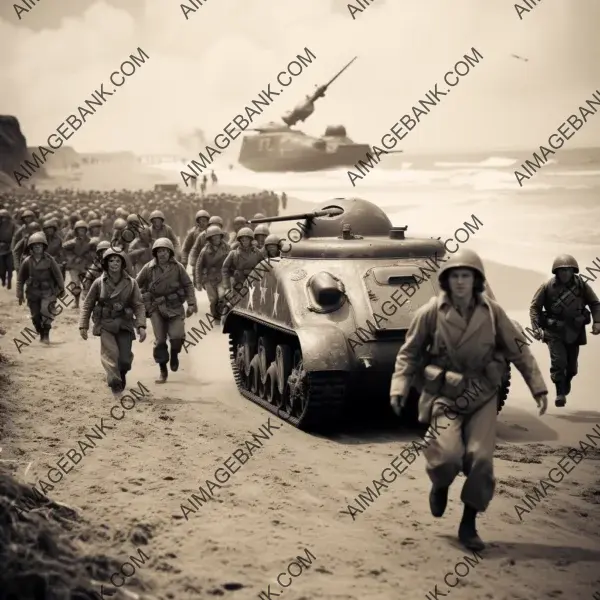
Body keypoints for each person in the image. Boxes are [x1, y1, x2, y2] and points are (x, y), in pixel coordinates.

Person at [389, 249, 548, 551]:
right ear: (446, 281)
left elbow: (519, 351)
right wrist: (399, 387)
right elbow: (408, 354)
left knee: (482, 460)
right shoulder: (431, 312)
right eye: (455, 276)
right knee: (447, 457)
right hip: (445, 395)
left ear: (477, 280)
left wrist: (537, 387)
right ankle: (440, 483)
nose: (461, 282)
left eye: (467, 276)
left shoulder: (492, 313)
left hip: (482, 395)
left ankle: (469, 522)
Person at [529, 254, 600, 407]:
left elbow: (595, 303)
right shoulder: (547, 286)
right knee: (559, 362)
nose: (565, 273)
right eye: (562, 270)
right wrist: (536, 328)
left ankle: (566, 381)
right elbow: (535, 307)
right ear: (556, 272)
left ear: (573, 270)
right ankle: (560, 392)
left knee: (572, 368)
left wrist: (597, 322)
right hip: (554, 330)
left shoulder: (581, 286)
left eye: (568, 270)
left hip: (574, 331)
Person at [79, 248, 147, 395]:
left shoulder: (132, 283)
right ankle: (114, 382)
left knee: (124, 359)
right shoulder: (98, 282)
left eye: (118, 260)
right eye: (111, 260)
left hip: (124, 323)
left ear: (123, 263)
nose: (114, 263)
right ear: (106, 263)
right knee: (111, 354)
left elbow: (138, 305)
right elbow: (88, 303)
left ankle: (121, 373)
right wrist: (83, 325)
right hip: (106, 323)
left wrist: (141, 325)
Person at [136, 238, 197, 383]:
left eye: (164, 251)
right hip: (156, 307)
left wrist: (191, 303)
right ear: (155, 253)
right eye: (159, 251)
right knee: (160, 340)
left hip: (174, 305)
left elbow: (188, 285)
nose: (162, 254)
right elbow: (135, 286)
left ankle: (174, 353)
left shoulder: (178, 267)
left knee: (177, 337)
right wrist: (142, 300)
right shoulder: (148, 268)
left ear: (170, 252)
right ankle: (163, 369)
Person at [16, 232, 65, 344]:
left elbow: (58, 275)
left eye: (40, 245)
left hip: (48, 291)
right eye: (35, 245)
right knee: (35, 316)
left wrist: (61, 288)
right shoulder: (27, 261)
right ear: (31, 247)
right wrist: (20, 294)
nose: (37, 247)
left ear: (44, 247)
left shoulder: (50, 260)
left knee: (46, 312)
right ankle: (40, 331)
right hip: (33, 292)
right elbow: (20, 279)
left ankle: (46, 335)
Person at [195, 225, 230, 320]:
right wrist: (198, 282)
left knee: (222, 296)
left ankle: (223, 314)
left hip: (222, 276)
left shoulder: (227, 248)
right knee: (213, 299)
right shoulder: (204, 251)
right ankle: (215, 315)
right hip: (209, 278)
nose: (216, 238)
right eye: (214, 237)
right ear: (210, 239)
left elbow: (232, 261)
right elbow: (199, 266)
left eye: (218, 236)